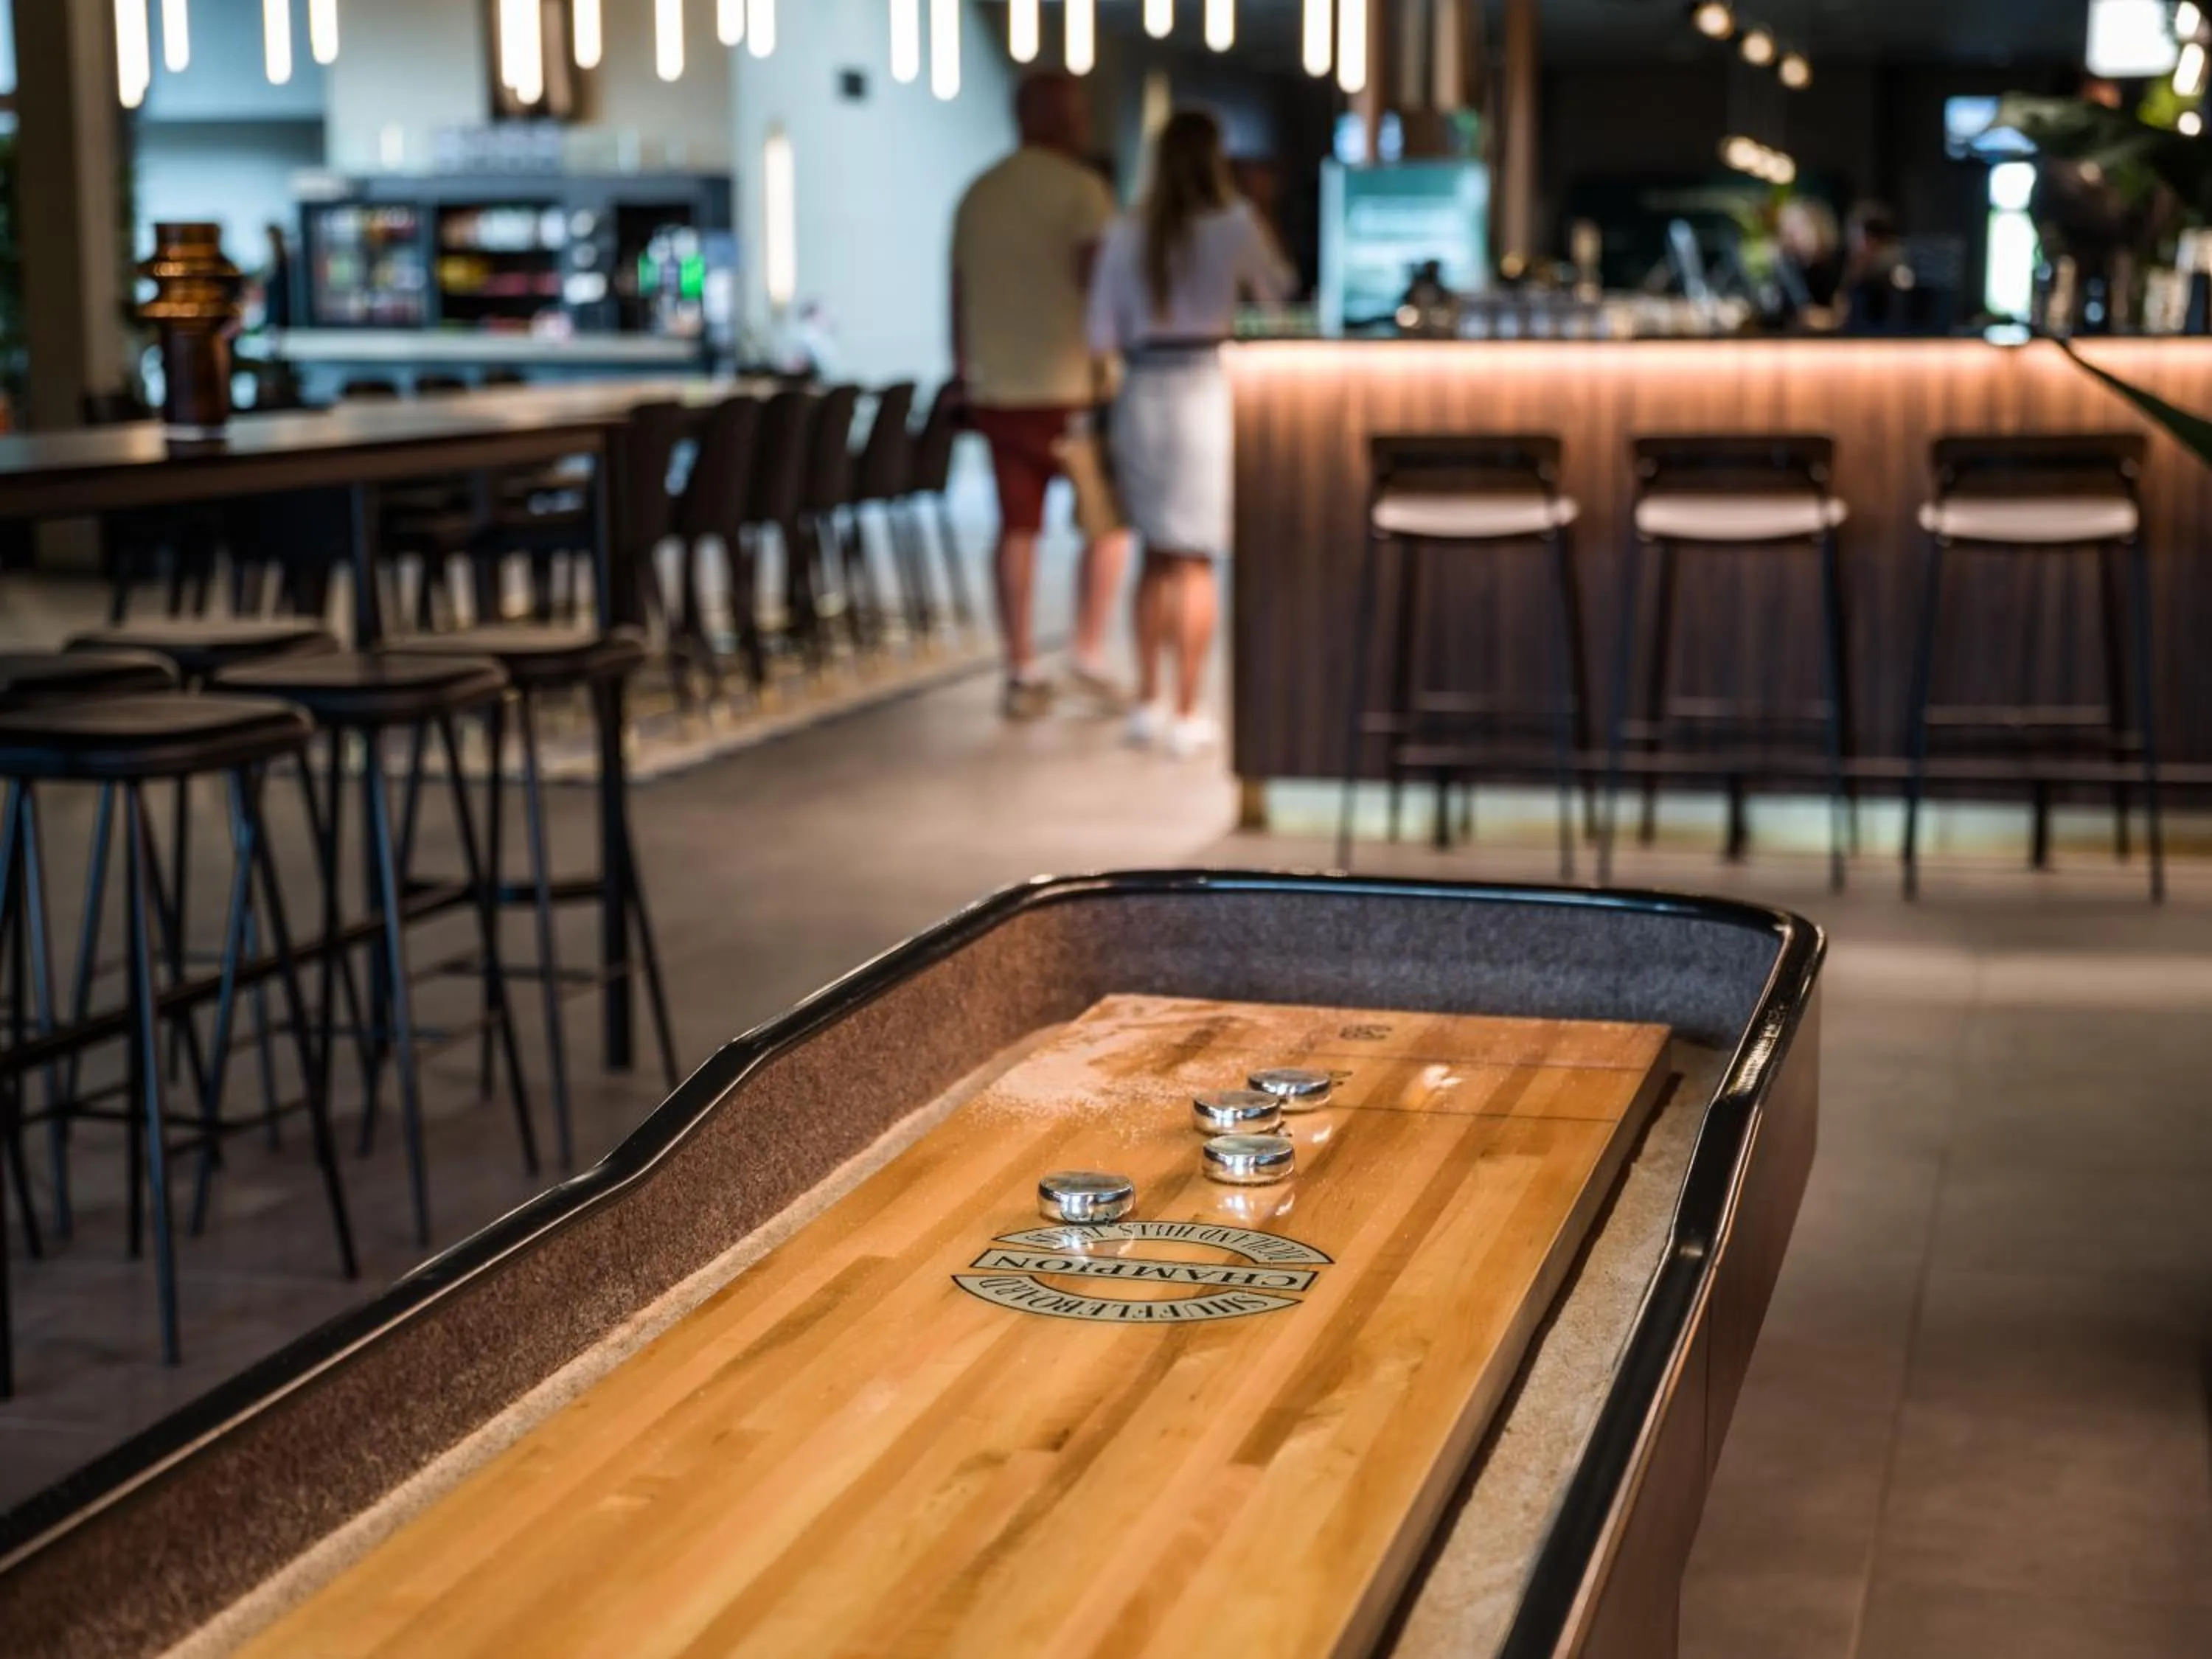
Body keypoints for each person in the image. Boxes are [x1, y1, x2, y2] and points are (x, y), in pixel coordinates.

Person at [1087, 108, 1292, 759]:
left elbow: (1099, 335)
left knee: (1155, 551)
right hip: (1205, 385)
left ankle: (1148, 700)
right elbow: (1281, 295)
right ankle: (1187, 707)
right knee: (1196, 556)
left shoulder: (1125, 230)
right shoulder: (1234, 225)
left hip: (1143, 389)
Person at [951, 73, 1133, 720]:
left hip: (1000, 389)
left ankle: (1021, 662)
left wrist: (964, 369)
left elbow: (957, 294)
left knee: (1017, 528)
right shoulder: (1084, 193)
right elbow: (1101, 289)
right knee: (1110, 526)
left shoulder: (980, 194)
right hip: (1070, 391)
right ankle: (1087, 650)